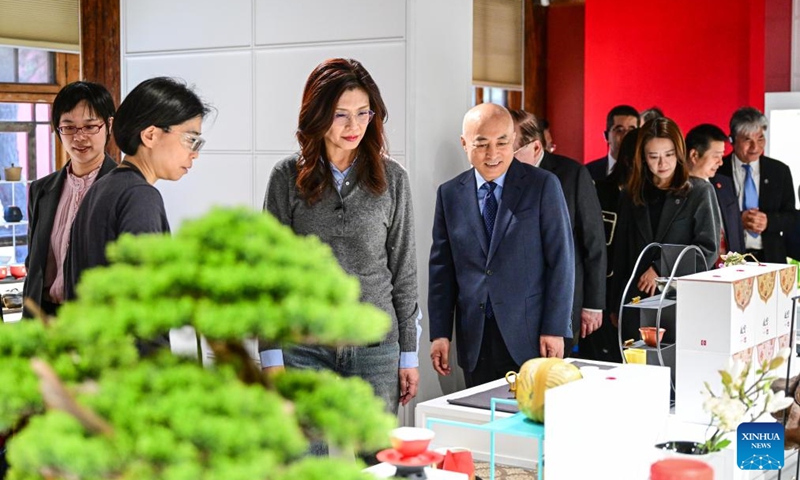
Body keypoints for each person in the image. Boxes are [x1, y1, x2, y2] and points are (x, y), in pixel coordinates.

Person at [261, 59, 421, 425]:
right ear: (317, 115)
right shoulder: (285, 178)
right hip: (303, 348)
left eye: (364, 113)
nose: (355, 126)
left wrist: (408, 354)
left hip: (376, 350)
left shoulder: (393, 179)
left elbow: (404, 271)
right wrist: (271, 356)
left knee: (377, 464)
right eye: (341, 115)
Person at [428, 103, 574, 388]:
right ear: (464, 144)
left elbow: (561, 261)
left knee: (531, 423)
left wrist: (555, 329)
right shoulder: (449, 194)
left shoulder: (543, 185)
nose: (493, 154)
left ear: (514, 140)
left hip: (531, 335)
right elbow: (442, 270)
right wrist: (440, 333)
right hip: (475, 338)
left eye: (502, 143)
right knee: (483, 423)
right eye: (481, 144)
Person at [64, 77, 210, 300]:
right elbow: (145, 303)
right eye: (191, 139)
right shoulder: (140, 196)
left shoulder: (101, 187)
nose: (195, 153)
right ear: (150, 135)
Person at [611, 118, 719, 341]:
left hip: (680, 303)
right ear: (643, 158)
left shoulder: (699, 192)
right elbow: (620, 254)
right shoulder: (630, 196)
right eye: (654, 156)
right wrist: (614, 303)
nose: (663, 163)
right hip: (635, 304)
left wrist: (661, 268)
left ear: (679, 153)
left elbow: (707, 250)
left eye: (669, 154)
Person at [509, 109, 605, 353]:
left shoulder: (572, 174)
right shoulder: (499, 178)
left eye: (510, 149)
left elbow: (593, 241)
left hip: (564, 296)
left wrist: (593, 304)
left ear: (536, 148)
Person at [23, 81, 117, 318]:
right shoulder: (41, 190)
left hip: (95, 323)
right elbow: (34, 263)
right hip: (44, 318)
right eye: (69, 127)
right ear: (58, 130)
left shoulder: (123, 189)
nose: (80, 137)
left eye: (90, 126)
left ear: (109, 125)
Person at [717, 107, 797, 263]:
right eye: (747, 140)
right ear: (732, 139)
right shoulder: (718, 170)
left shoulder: (779, 171)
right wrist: (736, 219)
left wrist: (769, 221)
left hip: (771, 257)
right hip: (730, 258)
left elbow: (791, 217)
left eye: (760, 139)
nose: (755, 147)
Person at [685, 123, 745, 257]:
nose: (721, 162)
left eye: (722, 156)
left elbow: (737, 231)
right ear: (694, 155)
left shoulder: (724, 184)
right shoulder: (677, 189)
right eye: (716, 156)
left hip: (730, 268)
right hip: (696, 270)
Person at [586, 105, 639, 181]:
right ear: (606, 136)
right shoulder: (588, 172)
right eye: (619, 130)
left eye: (631, 130)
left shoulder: (648, 171)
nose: (626, 135)